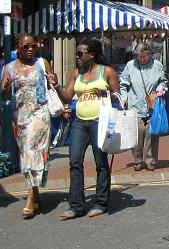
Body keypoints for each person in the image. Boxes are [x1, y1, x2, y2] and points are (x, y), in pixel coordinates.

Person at [55, 38, 120, 220]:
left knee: (101, 163)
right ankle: (76, 206)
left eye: (80, 53)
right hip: (79, 123)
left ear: (92, 55)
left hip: (100, 122)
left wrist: (106, 95)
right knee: (75, 161)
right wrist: (56, 85)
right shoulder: (76, 73)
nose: (77, 56)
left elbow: (118, 97)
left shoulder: (106, 72)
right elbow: (68, 97)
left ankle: (100, 202)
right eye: (76, 53)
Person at [0, 34, 55, 218]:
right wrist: (5, 88)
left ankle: (30, 199)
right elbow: (5, 95)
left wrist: (53, 80)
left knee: (31, 152)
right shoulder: (9, 67)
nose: (30, 49)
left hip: (39, 114)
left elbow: (52, 84)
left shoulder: (42, 63)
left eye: (33, 46)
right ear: (18, 48)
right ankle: (36, 192)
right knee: (27, 153)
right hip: (20, 117)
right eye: (26, 47)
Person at [119, 44, 167, 171]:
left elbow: (163, 81)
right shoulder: (130, 65)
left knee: (152, 134)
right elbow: (123, 84)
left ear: (150, 54)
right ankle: (138, 160)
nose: (141, 59)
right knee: (137, 135)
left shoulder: (157, 65)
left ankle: (150, 160)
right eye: (139, 57)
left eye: (144, 56)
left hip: (152, 105)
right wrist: (123, 97)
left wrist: (161, 88)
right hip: (135, 105)